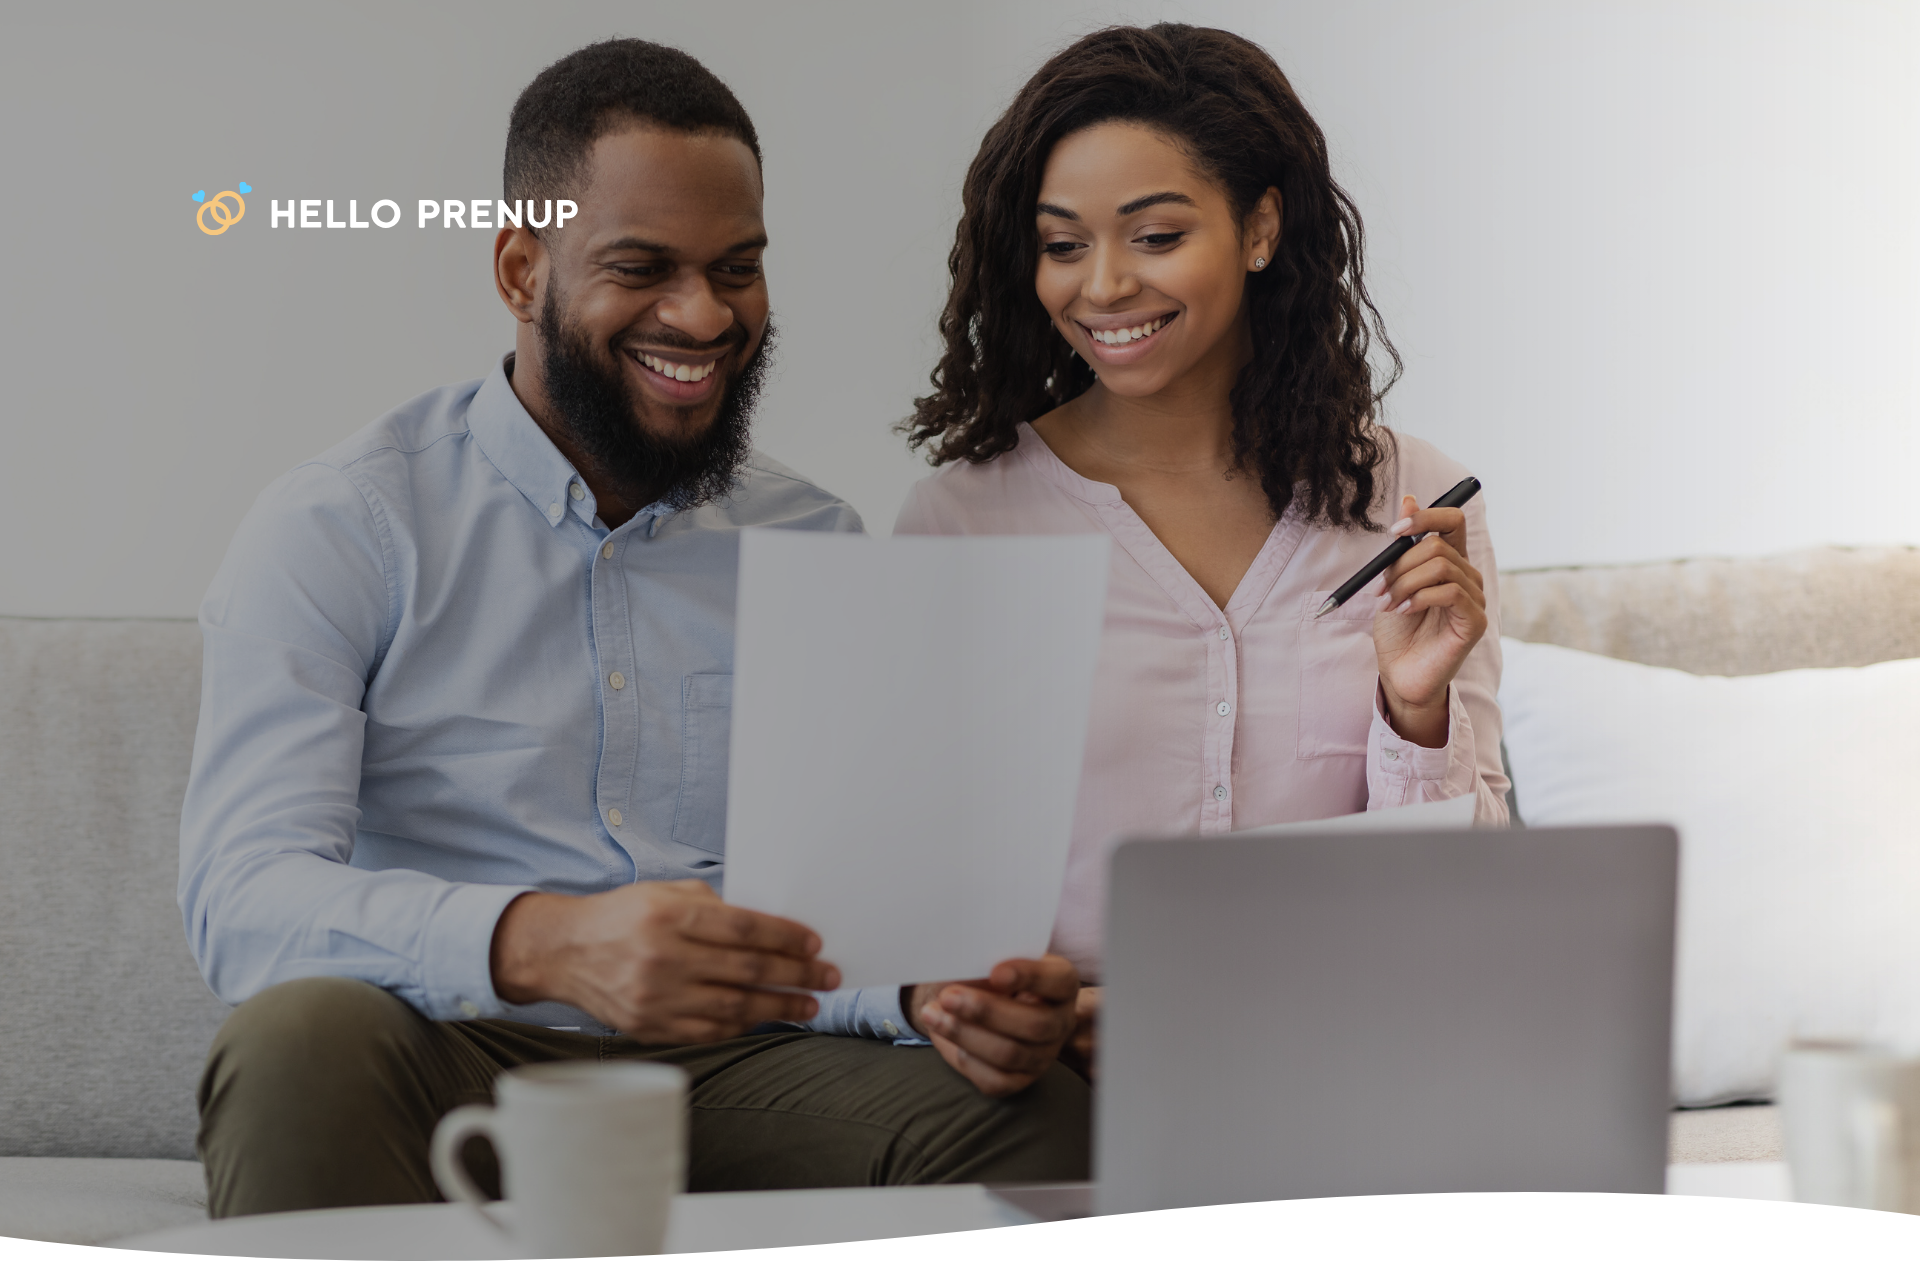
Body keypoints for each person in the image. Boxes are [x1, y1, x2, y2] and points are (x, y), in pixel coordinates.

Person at [180, 38, 1086, 1219]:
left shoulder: (812, 536)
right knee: (296, 1037)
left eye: (737, 267)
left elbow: (841, 923)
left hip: (737, 1068)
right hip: (458, 1051)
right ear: (521, 269)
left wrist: (925, 990)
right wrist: (542, 942)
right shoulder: (345, 523)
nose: (703, 315)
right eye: (643, 267)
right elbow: (242, 900)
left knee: (1044, 1120)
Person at [895, 23, 1512, 1074]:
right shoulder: (960, 525)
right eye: (1061, 244)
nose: (1101, 287)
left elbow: (1472, 896)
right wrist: (964, 1004)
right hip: (1063, 1087)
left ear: (1261, 228)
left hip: (1343, 1059)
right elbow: (903, 901)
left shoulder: (1405, 502)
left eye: (1154, 235)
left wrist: (1414, 711)